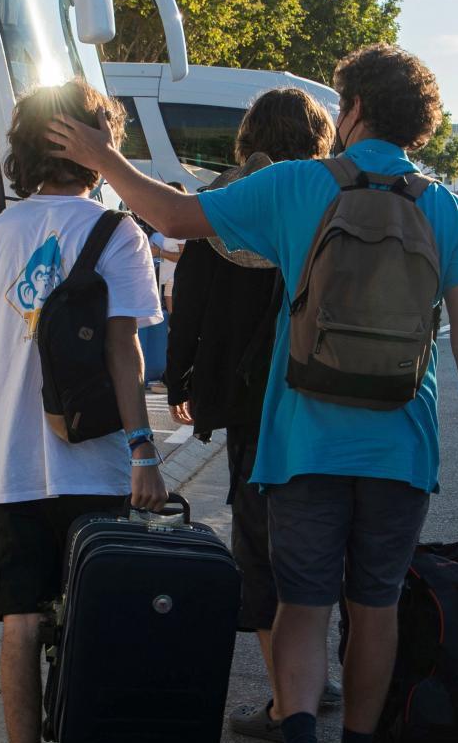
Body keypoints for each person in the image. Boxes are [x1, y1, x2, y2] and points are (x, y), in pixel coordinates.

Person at [45, 43, 458, 743]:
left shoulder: (300, 184)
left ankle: (296, 730)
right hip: (400, 440)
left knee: (302, 601)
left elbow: (174, 218)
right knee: (375, 603)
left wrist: (102, 157)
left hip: (302, 439)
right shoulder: (445, 209)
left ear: (353, 109)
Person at [0, 79, 168, 743]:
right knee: (98, 614)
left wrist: (7, 330)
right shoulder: (119, 235)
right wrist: (144, 454)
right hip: (94, 462)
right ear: (98, 147)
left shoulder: (0, 233)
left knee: (19, 621)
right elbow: (125, 350)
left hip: (9, 463)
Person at [163, 88, 341, 740]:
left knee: (258, 544)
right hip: (321, 392)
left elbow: (193, 295)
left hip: (247, 399)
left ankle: (281, 697)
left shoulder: (228, 197)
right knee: (317, 532)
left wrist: (179, 373)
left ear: (249, 135)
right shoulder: (328, 196)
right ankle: (310, 675)